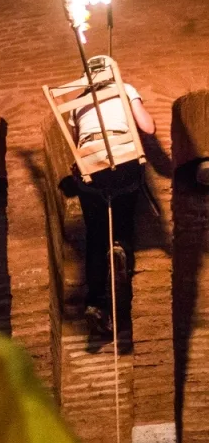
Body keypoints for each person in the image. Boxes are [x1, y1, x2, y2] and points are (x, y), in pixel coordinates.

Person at [69, 56, 156, 348]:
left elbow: (75, 146)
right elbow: (148, 127)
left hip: (90, 171)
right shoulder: (124, 88)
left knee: (94, 234)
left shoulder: (76, 104)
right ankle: (120, 247)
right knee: (124, 214)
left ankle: (95, 303)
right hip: (125, 164)